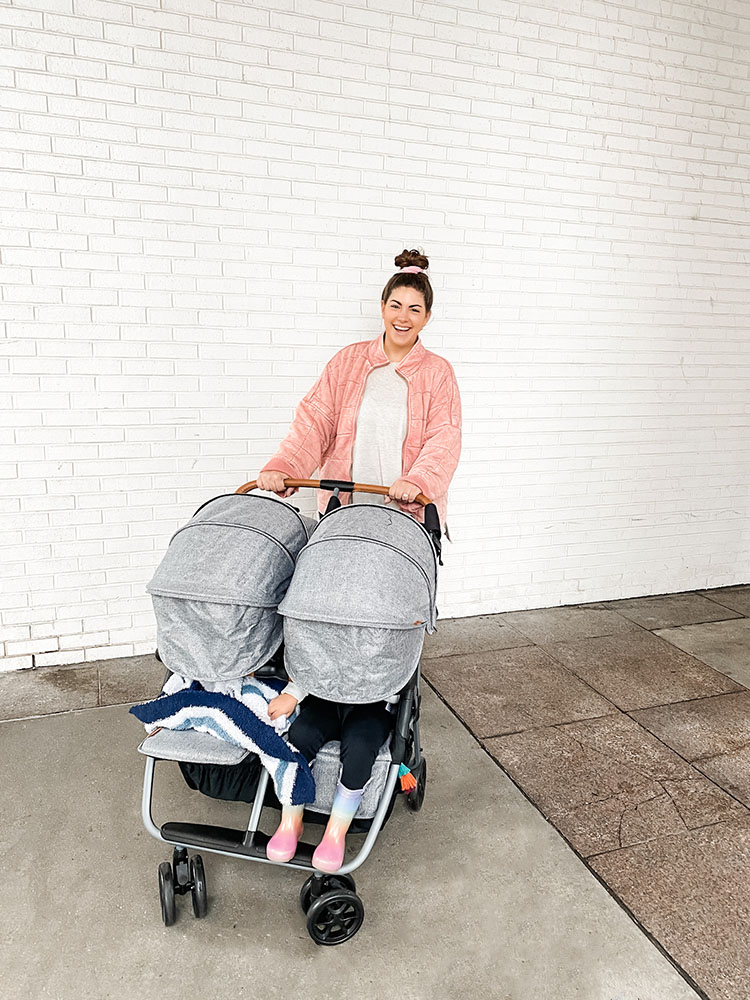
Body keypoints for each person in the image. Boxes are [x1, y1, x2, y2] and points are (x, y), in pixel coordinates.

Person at [257, 248, 461, 872]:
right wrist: (287, 468)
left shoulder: (437, 375)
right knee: (327, 607)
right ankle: (315, 699)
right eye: (395, 305)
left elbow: (444, 439)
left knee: (377, 621)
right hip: (345, 516)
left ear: (427, 317)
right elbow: (314, 420)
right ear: (382, 307)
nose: (404, 316)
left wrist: (417, 479)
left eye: (415, 309)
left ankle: (372, 709)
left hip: (401, 521)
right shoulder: (349, 364)